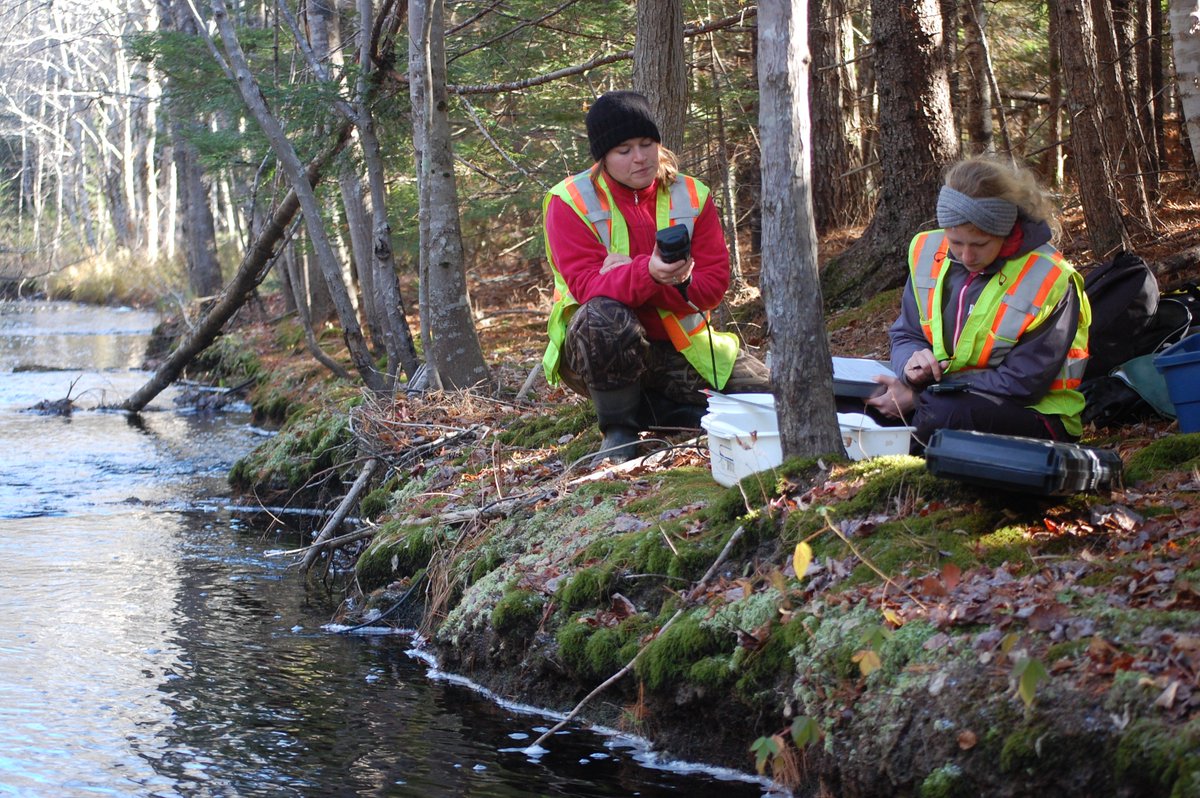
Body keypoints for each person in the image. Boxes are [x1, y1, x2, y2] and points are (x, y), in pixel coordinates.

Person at [541, 90, 770, 465]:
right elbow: (587, 287)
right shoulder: (569, 201)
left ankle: (666, 413)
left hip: (683, 347)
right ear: (603, 156)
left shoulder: (692, 195)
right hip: (598, 352)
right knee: (602, 313)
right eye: (624, 150)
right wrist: (650, 272)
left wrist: (642, 276)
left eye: (647, 143)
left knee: (773, 398)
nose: (640, 157)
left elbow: (712, 289)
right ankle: (619, 432)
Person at [866, 156, 1091, 450]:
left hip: (1035, 414)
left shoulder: (1050, 277)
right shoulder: (927, 251)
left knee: (942, 415)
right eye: (955, 242)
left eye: (980, 244)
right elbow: (906, 334)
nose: (966, 256)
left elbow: (1023, 383)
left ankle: (900, 457)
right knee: (865, 399)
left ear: (1004, 231)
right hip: (942, 396)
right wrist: (910, 369)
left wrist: (920, 394)